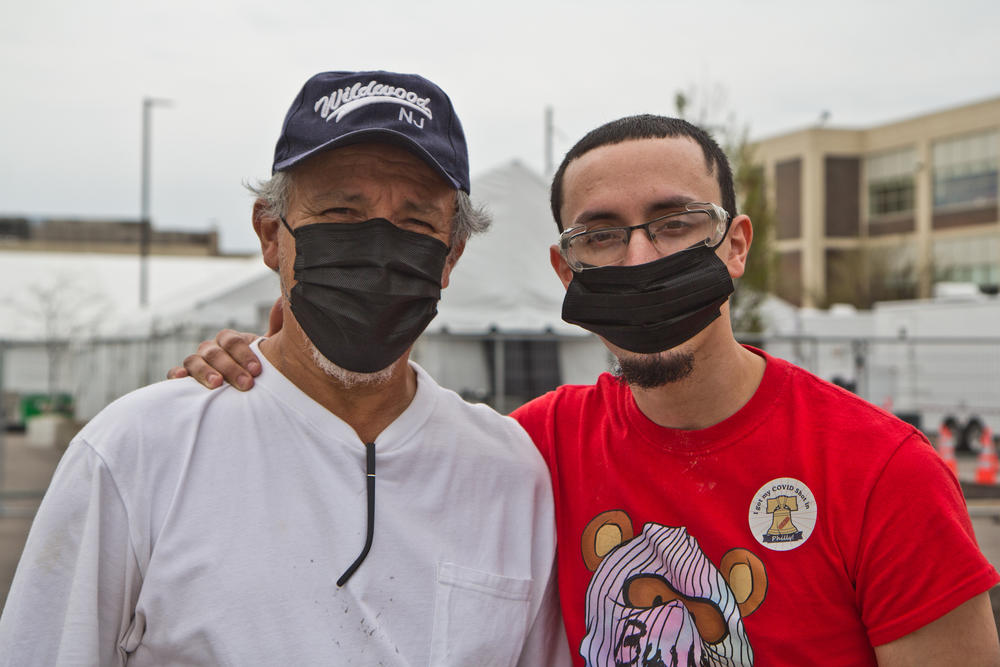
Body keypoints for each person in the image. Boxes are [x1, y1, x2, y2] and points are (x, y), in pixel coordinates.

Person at [171, 115, 1000, 666]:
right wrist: (258, 368)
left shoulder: (879, 469)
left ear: (735, 243)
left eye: (675, 222)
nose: (640, 258)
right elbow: (373, 439)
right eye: (601, 234)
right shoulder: (535, 447)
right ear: (565, 268)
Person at [0, 70, 568, 666]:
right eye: (342, 211)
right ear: (271, 234)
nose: (378, 246)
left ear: (450, 256)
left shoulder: (508, 473)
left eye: (416, 222)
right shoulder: (137, 451)